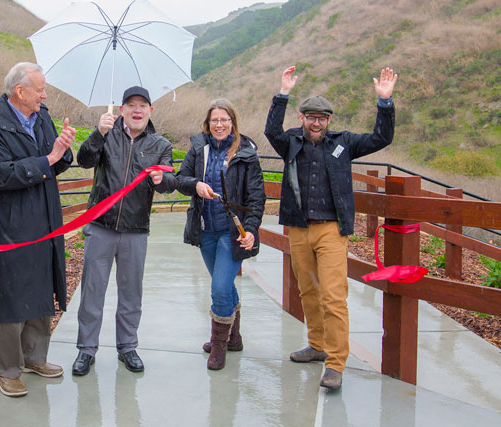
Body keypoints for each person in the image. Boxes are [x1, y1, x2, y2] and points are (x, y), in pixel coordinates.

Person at [264, 66, 398, 390]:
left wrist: (385, 102)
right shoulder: (291, 142)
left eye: (321, 118)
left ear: (329, 121)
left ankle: (335, 363)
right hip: (298, 228)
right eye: (310, 117)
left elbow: (382, 138)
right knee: (308, 291)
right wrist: (282, 94)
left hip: (331, 230)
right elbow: (271, 130)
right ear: (303, 119)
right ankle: (317, 345)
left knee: (334, 297)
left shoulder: (345, 143)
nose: (316, 122)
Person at [0, 62, 75, 397]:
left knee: (40, 288)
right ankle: (6, 370)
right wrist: (50, 158)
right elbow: (0, 177)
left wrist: (63, 148)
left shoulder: (42, 116)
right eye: (40, 89)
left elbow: (55, 162)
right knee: (12, 295)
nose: (44, 95)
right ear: (20, 91)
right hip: (12, 225)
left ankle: (35, 358)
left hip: (45, 219)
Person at [72, 86, 176, 376]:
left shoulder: (160, 144)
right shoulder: (107, 135)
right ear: (121, 110)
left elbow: (170, 183)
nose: (137, 110)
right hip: (101, 227)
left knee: (131, 293)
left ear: (150, 111)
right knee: (92, 290)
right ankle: (86, 350)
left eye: (143, 105)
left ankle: (128, 347)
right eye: (131, 105)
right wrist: (97, 134)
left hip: (135, 230)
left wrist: (160, 179)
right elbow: (84, 160)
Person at [176, 99, 265, 370]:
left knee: (219, 288)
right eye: (214, 120)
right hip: (206, 231)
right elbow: (180, 179)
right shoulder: (198, 148)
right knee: (223, 285)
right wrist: (197, 184)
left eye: (224, 119)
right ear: (207, 123)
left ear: (233, 123)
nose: (219, 124)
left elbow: (256, 196)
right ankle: (234, 337)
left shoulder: (246, 153)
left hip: (232, 232)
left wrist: (250, 229)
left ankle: (218, 346)